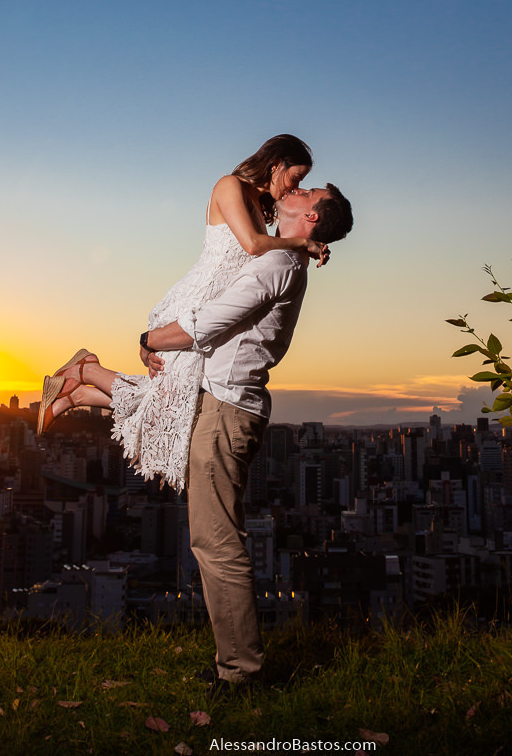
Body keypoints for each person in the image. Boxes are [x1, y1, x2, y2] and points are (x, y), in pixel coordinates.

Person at [142, 181, 353, 686]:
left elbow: (208, 324)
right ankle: (236, 663)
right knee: (213, 539)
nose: (296, 189)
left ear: (312, 219)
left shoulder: (279, 265)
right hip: (222, 405)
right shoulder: (284, 257)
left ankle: (240, 672)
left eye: (308, 192)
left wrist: (148, 338)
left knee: (216, 542)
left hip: (225, 412)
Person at [37, 135, 328, 489]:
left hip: (206, 313)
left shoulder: (257, 204)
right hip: (192, 306)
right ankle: (85, 371)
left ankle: (78, 391)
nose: (292, 188)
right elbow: (252, 245)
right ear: (276, 163)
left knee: (173, 404)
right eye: (294, 178)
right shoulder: (229, 185)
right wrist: (302, 242)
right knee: (170, 406)